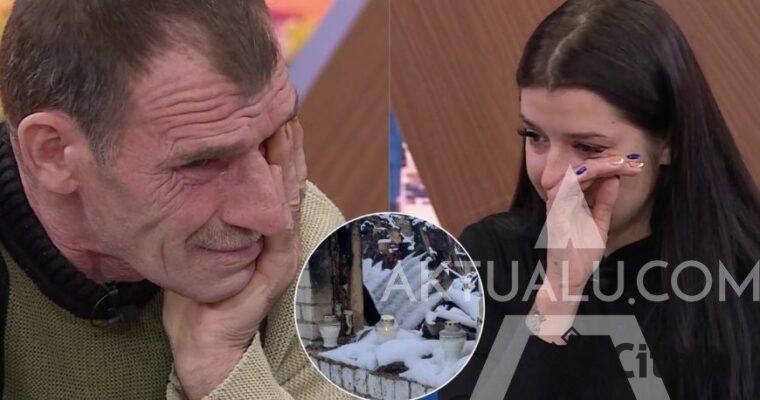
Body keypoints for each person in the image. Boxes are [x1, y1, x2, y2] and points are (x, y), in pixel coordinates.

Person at [0, 1, 350, 399]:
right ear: (53, 153)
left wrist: (221, 369)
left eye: (270, 138)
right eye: (200, 163)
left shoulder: (304, 240)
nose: (271, 214)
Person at [439, 0, 760, 399]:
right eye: (534, 137)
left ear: (669, 142)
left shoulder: (742, 275)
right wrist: (558, 296)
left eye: (588, 147)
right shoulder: (489, 257)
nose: (551, 176)